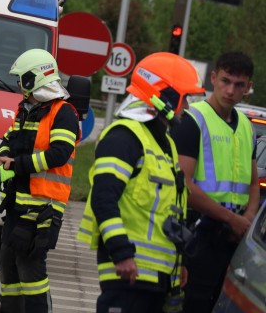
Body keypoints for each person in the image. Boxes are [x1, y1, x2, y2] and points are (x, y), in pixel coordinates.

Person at [77, 52, 206, 313]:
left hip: (159, 276)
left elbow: (171, 211)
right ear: (164, 96)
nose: (188, 108)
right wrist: (121, 252)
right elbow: (104, 198)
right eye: (184, 99)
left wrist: (178, 264)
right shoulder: (124, 137)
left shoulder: (166, 144)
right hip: (129, 272)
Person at [0, 48, 81, 313]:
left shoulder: (64, 113)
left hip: (42, 209)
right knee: (9, 271)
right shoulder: (26, 110)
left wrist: (18, 166)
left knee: (31, 271)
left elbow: (59, 154)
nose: (18, 85)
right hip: (17, 206)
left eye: (21, 79)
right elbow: (8, 140)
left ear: (35, 78)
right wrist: (4, 162)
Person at [170, 50, 259, 313]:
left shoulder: (246, 125)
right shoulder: (192, 120)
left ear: (248, 87)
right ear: (213, 78)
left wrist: (247, 220)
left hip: (232, 237)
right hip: (198, 233)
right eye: (225, 81)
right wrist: (232, 220)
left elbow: (254, 184)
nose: (230, 90)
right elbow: (183, 184)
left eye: (238, 84)